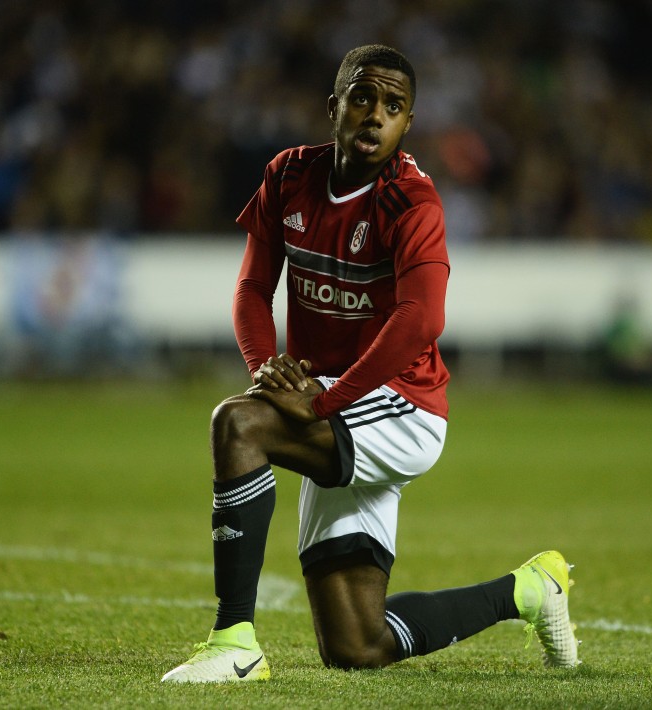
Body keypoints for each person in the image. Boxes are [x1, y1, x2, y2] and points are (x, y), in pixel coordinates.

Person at [161, 44, 579, 684]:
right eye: (362, 98)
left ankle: (233, 642)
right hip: (330, 403)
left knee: (237, 426)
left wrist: (321, 402)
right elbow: (251, 290)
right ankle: (527, 591)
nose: (375, 115)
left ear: (408, 123)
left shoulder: (412, 203)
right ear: (334, 106)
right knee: (356, 646)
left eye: (393, 106)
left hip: (401, 405)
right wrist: (265, 370)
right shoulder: (288, 176)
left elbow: (421, 321)